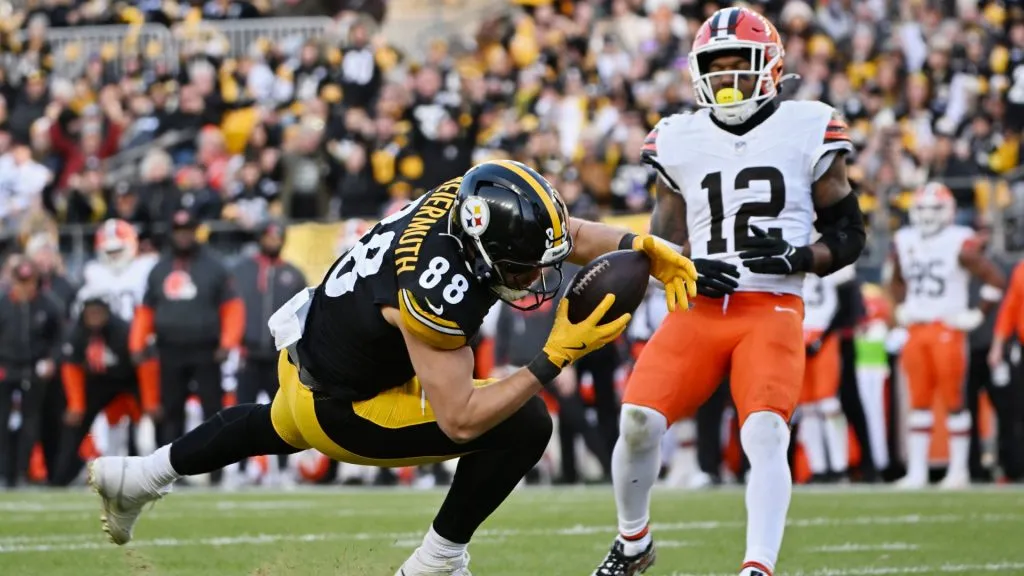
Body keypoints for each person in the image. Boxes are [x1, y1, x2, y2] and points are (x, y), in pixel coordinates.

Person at [87, 159, 699, 575]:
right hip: (348, 409)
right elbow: (461, 421)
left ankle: (139, 475)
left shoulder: (465, 200)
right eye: (524, 267)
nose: (539, 278)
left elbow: (570, 232)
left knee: (269, 424)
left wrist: (638, 245)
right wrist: (554, 356)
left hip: (310, 363)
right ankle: (438, 559)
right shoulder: (439, 288)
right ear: (484, 252)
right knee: (526, 423)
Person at [591, 7, 866, 576]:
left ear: (771, 68)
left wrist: (801, 256)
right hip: (700, 308)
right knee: (638, 419)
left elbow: (849, 234)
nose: (727, 78)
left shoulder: (808, 124)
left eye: (740, 65)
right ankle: (633, 541)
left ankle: (757, 568)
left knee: (765, 429)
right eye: (715, 68)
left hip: (771, 306)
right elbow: (661, 242)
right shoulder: (678, 136)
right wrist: (683, 264)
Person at [888, 183, 1006, 489]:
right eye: (923, 208)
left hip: (947, 328)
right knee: (919, 401)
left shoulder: (960, 241)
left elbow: (995, 279)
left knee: (954, 400)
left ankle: (958, 470)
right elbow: (897, 278)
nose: (928, 215)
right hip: (916, 327)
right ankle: (916, 471)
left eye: (934, 208)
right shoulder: (904, 239)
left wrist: (978, 314)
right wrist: (900, 306)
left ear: (949, 211)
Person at [797, 262, 856, 483]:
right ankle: (818, 468)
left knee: (829, 404)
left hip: (825, 334)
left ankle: (840, 466)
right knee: (807, 407)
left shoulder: (835, 258)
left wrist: (824, 337)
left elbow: (847, 305)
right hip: (799, 332)